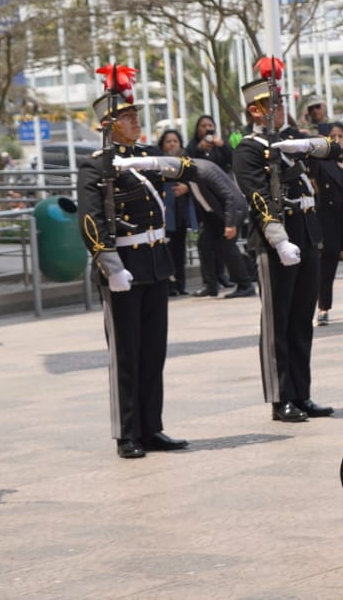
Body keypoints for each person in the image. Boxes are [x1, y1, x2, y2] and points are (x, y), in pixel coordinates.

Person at [77, 65, 196, 459]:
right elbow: (91, 219)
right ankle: (127, 432)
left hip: (155, 264)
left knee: (152, 351)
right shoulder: (95, 165)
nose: (135, 122)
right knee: (125, 354)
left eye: (135, 116)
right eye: (128, 117)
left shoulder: (147, 157)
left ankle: (151, 426)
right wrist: (111, 266)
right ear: (109, 125)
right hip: (124, 268)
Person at [232, 61, 340, 423]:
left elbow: (332, 148)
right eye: (271, 105)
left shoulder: (290, 140)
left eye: (280, 103)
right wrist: (279, 239)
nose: (278, 110)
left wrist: (305, 142)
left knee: (300, 322)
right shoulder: (249, 149)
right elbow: (258, 197)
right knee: (277, 324)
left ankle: (302, 393)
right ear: (254, 110)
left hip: (307, 237)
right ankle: (281, 398)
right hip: (276, 244)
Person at [185, 114, 235, 296]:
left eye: (210, 125)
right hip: (204, 202)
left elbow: (233, 161)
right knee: (205, 242)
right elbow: (187, 164)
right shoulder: (192, 147)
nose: (207, 128)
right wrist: (198, 149)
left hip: (222, 201)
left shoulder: (220, 146)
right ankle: (210, 282)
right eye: (203, 125)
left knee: (222, 241)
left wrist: (223, 146)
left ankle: (221, 276)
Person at [315, 122, 343, 326]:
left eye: (341, 136)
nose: (338, 140)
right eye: (333, 136)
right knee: (327, 265)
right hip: (329, 220)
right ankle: (323, 308)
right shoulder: (321, 163)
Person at [157, 129, 196, 297]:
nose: (172, 144)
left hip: (181, 207)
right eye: (168, 141)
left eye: (175, 141)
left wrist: (187, 187)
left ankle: (180, 283)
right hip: (166, 207)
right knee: (167, 248)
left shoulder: (186, 160)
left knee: (180, 249)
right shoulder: (157, 160)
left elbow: (195, 178)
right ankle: (169, 285)